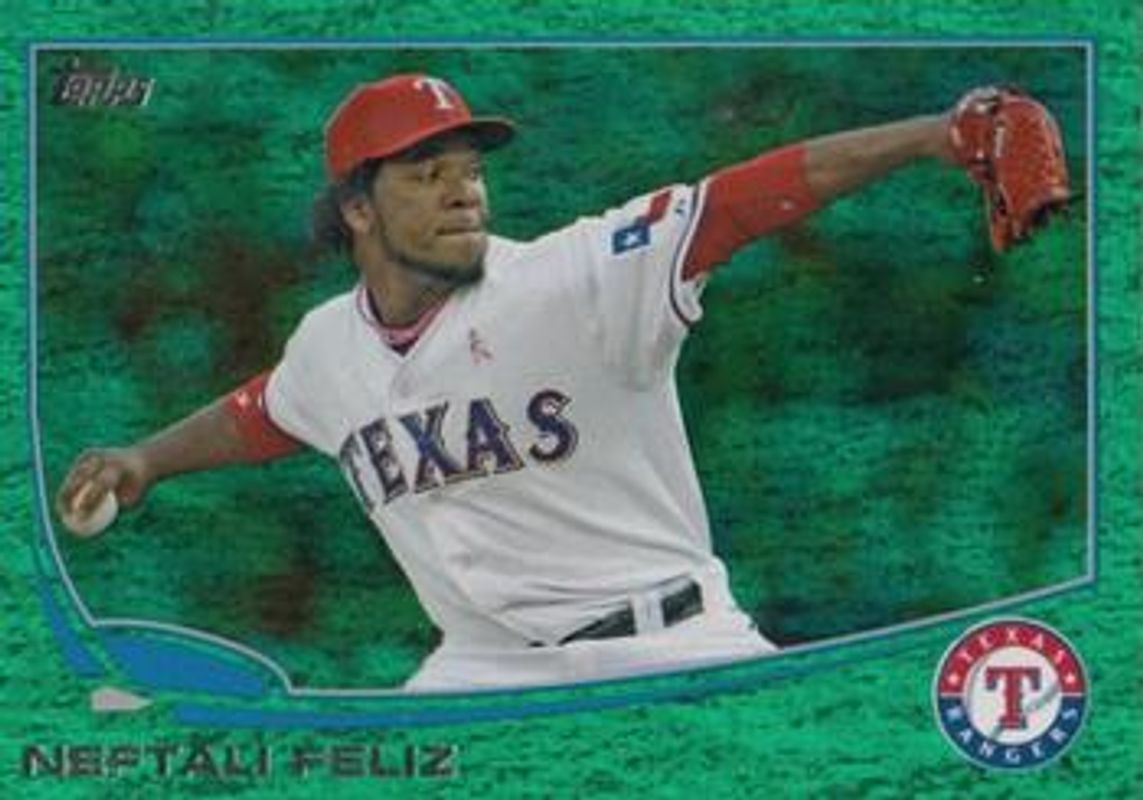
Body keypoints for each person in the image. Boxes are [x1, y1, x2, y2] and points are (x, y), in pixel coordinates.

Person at [58, 72, 960, 692]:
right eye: (427, 175)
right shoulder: (327, 344)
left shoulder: (572, 277)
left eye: (471, 171)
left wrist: (929, 136)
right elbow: (265, 411)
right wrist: (146, 459)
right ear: (358, 209)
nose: (464, 192)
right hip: (483, 668)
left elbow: (734, 202)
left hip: (671, 647)